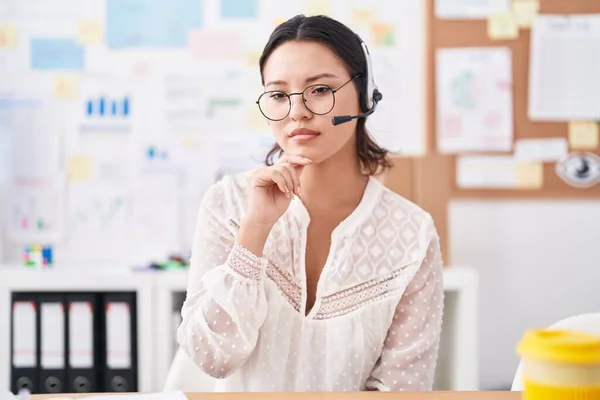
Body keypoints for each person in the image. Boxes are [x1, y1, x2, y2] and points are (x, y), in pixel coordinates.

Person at [177, 14, 444, 392]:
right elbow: (211, 356)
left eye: (320, 90)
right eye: (279, 95)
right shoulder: (227, 204)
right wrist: (254, 231)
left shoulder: (412, 234)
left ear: (364, 96)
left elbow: (403, 387)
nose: (297, 111)